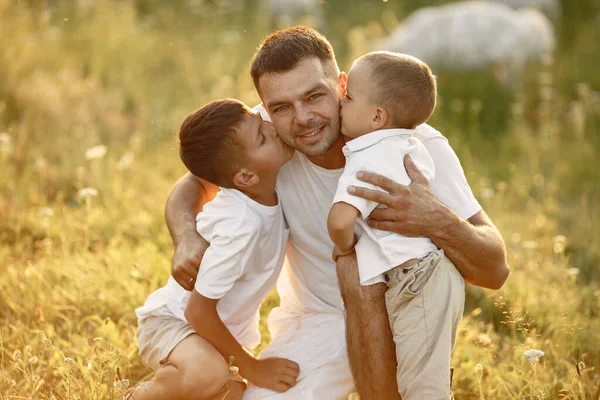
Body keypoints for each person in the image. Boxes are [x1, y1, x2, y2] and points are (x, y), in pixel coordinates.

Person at [167, 26, 509, 399]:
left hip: (404, 312)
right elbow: (195, 182)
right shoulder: (269, 141)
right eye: (281, 107)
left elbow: (495, 269)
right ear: (265, 109)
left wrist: (438, 220)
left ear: (343, 86)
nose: (302, 118)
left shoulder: (410, 144)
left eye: (315, 96)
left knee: (403, 269)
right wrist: (186, 235)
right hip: (318, 321)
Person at [132, 99, 299, 400]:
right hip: (174, 322)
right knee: (207, 374)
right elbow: (197, 311)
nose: (273, 129)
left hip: (212, 336)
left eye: (265, 125)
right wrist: (253, 367)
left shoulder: (259, 187)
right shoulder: (240, 225)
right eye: (262, 137)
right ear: (245, 176)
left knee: (230, 392)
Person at [328, 51, 465, 398]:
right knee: (419, 377)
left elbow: (341, 220)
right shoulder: (407, 144)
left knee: (421, 389)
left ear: (376, 116)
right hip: (430, 275)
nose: (340, 101)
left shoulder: (369, 155)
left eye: (349, 97)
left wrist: (343, 245)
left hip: (418, 281)